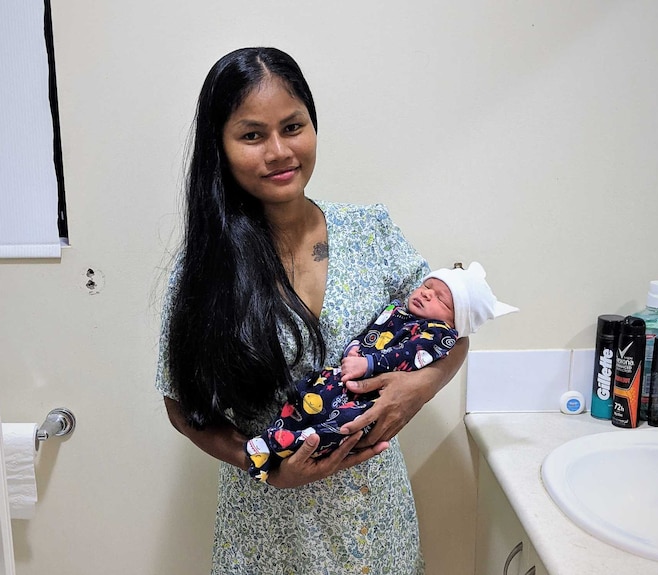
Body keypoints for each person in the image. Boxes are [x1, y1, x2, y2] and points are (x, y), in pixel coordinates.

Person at [156, 47, 470, 575]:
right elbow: (180, 405)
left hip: (374, 523)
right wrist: (260, 465)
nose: (279, 151)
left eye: (293, 126)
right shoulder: (204, 267)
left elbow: (453, 327)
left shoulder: (371, 232)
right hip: (265, 531)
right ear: (222, 149)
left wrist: (423, 385)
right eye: (252, 135)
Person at [246, 262, 518, 482]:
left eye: (441, 300)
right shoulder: (396, 312)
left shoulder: (439, 335)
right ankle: (273, 440)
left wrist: (369, 365)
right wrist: (354, 350)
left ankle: (285, 443)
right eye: (426, 286)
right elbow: (369, 333)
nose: (425, 293)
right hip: (340, 380)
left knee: (345, 426)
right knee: (305, 394)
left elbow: (404, 356)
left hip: (366, 400)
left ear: (456, 321)